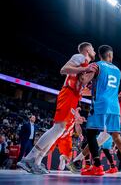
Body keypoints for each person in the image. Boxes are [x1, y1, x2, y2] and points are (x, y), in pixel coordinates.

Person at [17, 42, 96, 174]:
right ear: (87, 50)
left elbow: (82, 87)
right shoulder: (80, 57)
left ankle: (36, 162)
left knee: (59, 131)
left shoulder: (85, 65)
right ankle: (29, 158)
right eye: (92, 49)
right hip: (68, 93)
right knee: (58, 128)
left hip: (74, 96)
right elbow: (64, 69)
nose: (93, 51)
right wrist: (84, 69)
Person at [79, 45, 121, 176]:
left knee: (91, 133)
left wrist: (82, 71)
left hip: (101, 104)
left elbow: (84, 80)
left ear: (100, 55)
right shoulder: (118, 70)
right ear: (110, 55)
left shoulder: (97, 65)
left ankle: (97, 166)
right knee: (116, 136)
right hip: (114, 106)